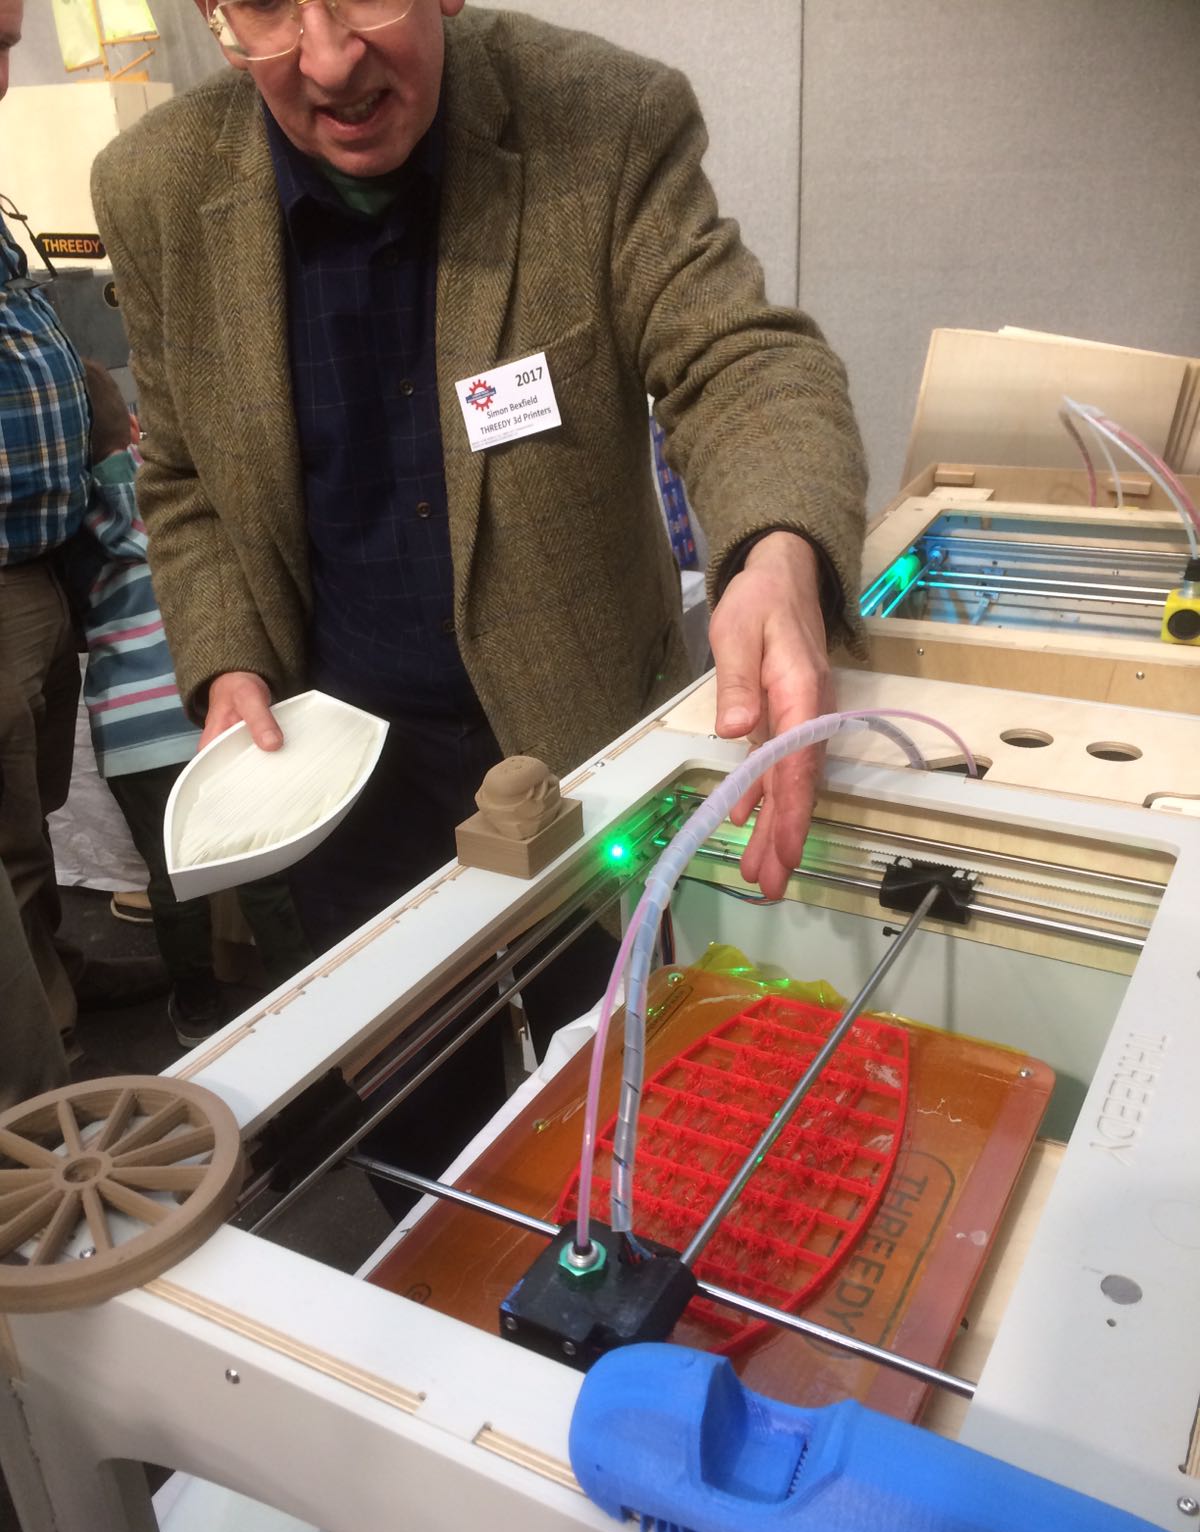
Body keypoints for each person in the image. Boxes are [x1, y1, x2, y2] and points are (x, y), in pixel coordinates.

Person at [90, 1, 867, 1181]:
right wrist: (229, 653)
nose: (329, 60)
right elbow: (184, 472)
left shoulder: (602, 119)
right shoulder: (154, 186)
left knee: (624, 1096)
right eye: (267, 6)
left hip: (583, 756)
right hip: (343, 776)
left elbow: (742, 359)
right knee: (408, 1114)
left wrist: (777, 552)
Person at [0, 0, 167, 1098]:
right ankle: (39, 1077)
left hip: (40, 559)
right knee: (5, 836)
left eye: (6, 46)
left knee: (33, 809)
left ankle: (51, 971)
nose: (1, 77)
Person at [61, 427, 314, 1048]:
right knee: (262, 863)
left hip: (131, 731)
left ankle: (197, 1008)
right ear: (130, 428)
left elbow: (69, 622)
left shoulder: (64, 520)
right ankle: (300, 991)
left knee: (172, 875)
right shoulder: (177, 490)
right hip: (215, 708)